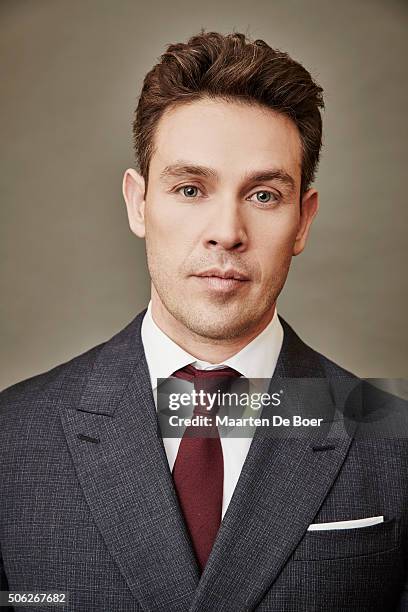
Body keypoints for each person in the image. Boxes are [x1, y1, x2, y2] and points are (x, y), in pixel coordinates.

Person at [0, 31, 406, 612]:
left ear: (304, 221)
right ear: (139, 203)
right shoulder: (11, 437)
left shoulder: (394, 437)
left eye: (264, 195)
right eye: (190, 188)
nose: (227, 231)